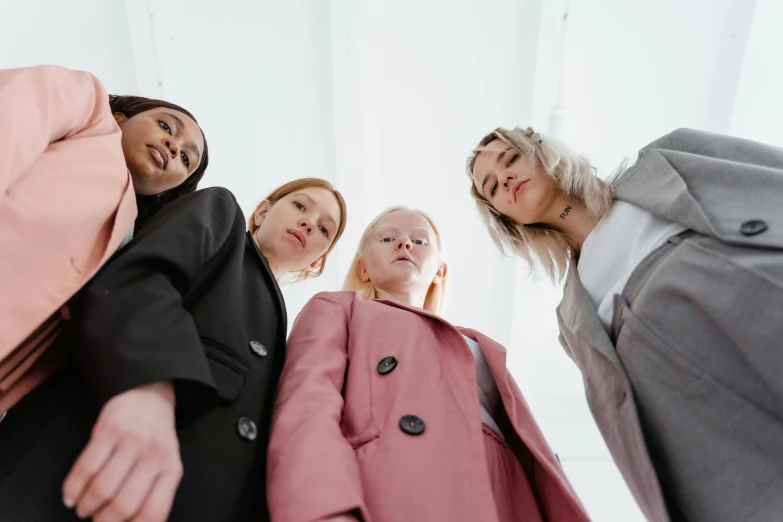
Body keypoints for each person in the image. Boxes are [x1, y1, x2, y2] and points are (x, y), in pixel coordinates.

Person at [466, 126, 783, 522]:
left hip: (759, 294)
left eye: (510, 159)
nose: (505, 179)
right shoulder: (572, 318)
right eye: (492, 187)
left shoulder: (667, 160)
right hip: (703, 414)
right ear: (508, 219)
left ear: (542, 150)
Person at [0, 178, 347, 522]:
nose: (308, 223)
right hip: (77, 474)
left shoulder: (287, 335)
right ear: (262, 212)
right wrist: (148, 390)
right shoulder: (222, 216)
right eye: (300, 206)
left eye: (324, 229)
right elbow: (138, 278)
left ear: (317, 263)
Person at [267, 207, 589, 522]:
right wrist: (322, 509)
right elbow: (307, 406)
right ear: (363, 268)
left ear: (439, 270)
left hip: (501, 492)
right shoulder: (338, 309)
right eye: (387, 237)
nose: (405, 244)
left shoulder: (479, 344)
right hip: (393, 486)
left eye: (420, 241)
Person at [0, 64, 209, 412]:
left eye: (186, 158)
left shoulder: (129, 242)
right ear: (121, 117)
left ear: (168, 193)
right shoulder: (88, 103)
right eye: (165, 126)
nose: (174, 146)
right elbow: (13, 116)